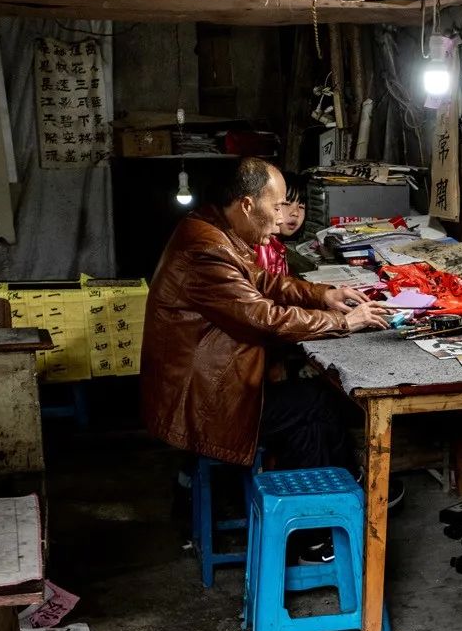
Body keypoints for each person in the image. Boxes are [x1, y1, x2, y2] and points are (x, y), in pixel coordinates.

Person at [141, 158, 390, 475]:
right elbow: (265, 318)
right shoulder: (207, 248)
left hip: (208, 384)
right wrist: (344, 322)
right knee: (316, 404)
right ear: (247, 205)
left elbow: (261, 281)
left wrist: (322, 295)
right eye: (276, 207)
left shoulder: (214, 228)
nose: (281, 219)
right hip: (203, 401)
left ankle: (329, 492)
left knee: (311, 416)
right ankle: (340, 488)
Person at [254, 171, 305, 279]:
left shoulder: (277, 245)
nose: (295, 213)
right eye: (286, 204)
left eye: (301, 206)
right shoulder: (261, 247)